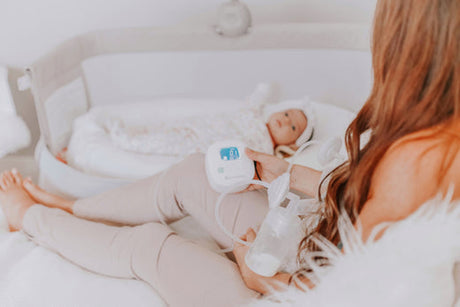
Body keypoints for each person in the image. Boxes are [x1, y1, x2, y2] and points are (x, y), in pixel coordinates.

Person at [0, 0, 459, 305]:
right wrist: (290, 172)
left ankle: (30, 218)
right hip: (311, 256)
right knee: (194, 172)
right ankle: (66, 204)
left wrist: (261, 280)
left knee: (150, 248)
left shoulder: (419, 160)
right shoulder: (430, 135)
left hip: (288, 296)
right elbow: (372, 212)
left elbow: (355, 295)